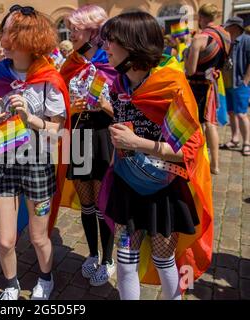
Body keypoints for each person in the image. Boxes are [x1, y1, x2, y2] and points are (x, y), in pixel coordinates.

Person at [99, 11, 213, 300]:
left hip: (162, 191)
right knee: (125, 260)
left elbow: (186, 151)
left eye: (111, 41)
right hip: (127, 189)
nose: (105, 48)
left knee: (164, 261)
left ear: (132, 44)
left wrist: (137, 142)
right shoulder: (118, 85)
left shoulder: (171, 87)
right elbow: (131, 115)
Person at [0, 5, 70, 300]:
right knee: (5, 240)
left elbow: (58, 130)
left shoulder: (48, 78)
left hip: (38, 162)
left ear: (23, 38)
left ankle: (45, 277)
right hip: (5, 161)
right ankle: (12, 285)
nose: (1, 37)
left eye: (6, 31)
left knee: (39, 237)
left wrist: (31, 119)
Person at [60, 4, 117, 287]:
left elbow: (126, 107)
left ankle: (108, 259)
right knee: (86, 202)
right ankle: (93, 254)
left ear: (93, 30)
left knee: (103, 202)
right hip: (80, 136)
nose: (70, 32)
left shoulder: (114, 60)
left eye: (75, 27)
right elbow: (57, 105)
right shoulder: (70, 62)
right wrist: (72, 107)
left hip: (104, 138)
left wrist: (103, 105)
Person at [184, 3, 231, 174]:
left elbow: (190, 70)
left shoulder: (199, 38)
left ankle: (198, 160)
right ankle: (215, 165)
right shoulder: (225, 35)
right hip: (212, 83)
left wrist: (188, 54)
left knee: (196, 125)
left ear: (202, 18)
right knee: (211, 125)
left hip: (197, 87)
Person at [220, 17, 250, 156]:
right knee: (231, 113)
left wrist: (246, 80)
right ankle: (235, 139)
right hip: (227, 84)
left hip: (240, 84)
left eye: (228, 27)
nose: (226, 29)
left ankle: (247, 143)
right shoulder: (228, 41)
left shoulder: (247, 40)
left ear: (235, 27)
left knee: (242, 114)